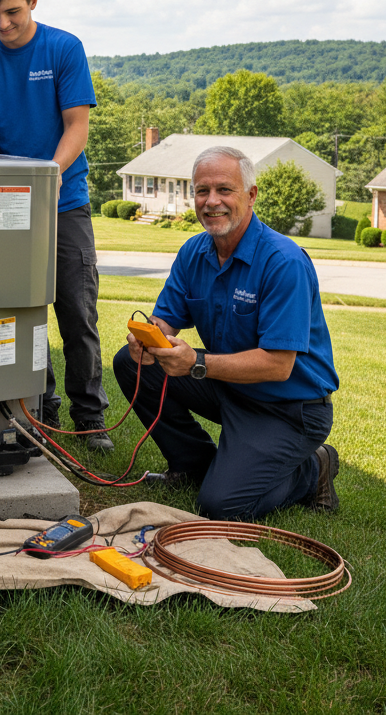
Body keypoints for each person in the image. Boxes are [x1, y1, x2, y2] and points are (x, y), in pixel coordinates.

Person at [112, 146, 340, 518]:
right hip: (231, 388)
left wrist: (195, 363)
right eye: (202, 191)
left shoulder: (283, 262)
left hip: (287, 408)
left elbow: (278, 366)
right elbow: (167, 317)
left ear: (250, 196)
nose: (211, 201)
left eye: (224, 190)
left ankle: (312, 470)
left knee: (221, 506)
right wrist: (150, 338)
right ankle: (194, 466)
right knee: (131, 363)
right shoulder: (194, 252)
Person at [0, 0, 113, 451]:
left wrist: (45, 180)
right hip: (7, 204)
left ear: (33, 2)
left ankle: (89, 417)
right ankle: (36, 406)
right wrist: (17, 185)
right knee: (17, 311)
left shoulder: (64, 49)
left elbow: (77, 128)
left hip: (65, 202)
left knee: (76, 312)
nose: (3, 24)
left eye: (13, 13)